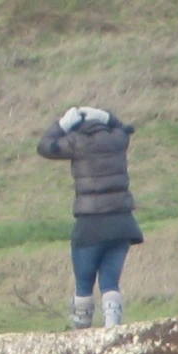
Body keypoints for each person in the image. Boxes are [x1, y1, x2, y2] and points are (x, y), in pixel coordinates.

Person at [38, 106, 144, 329]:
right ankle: (112, 328)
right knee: (111, 282)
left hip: (90, 224)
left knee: (84, 284)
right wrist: (108, 117)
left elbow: (44, 146)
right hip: (122, 223)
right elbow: (124, 128)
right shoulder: (117, 139)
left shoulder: (76, 141)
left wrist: (60, 125)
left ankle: (82, 333)